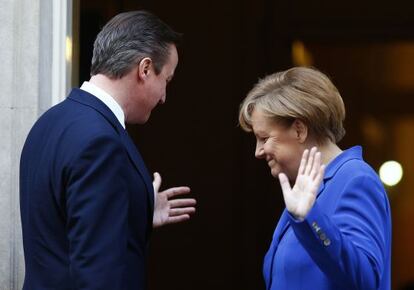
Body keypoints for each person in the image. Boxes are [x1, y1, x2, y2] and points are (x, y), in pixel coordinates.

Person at [20, 10, 196, 290]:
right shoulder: (99, 141)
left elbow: (65, 227)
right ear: (145, 69)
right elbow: (97, 274)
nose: (164, 97)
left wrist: (135, 211)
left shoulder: (49, 122)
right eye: (167, 81)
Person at [239, 67, 391, 290]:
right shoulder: (308, 188)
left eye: (264, 138)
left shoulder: (356, 180)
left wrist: (309, 218)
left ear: (299, 130)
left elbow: (365, 280)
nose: (258, 151)